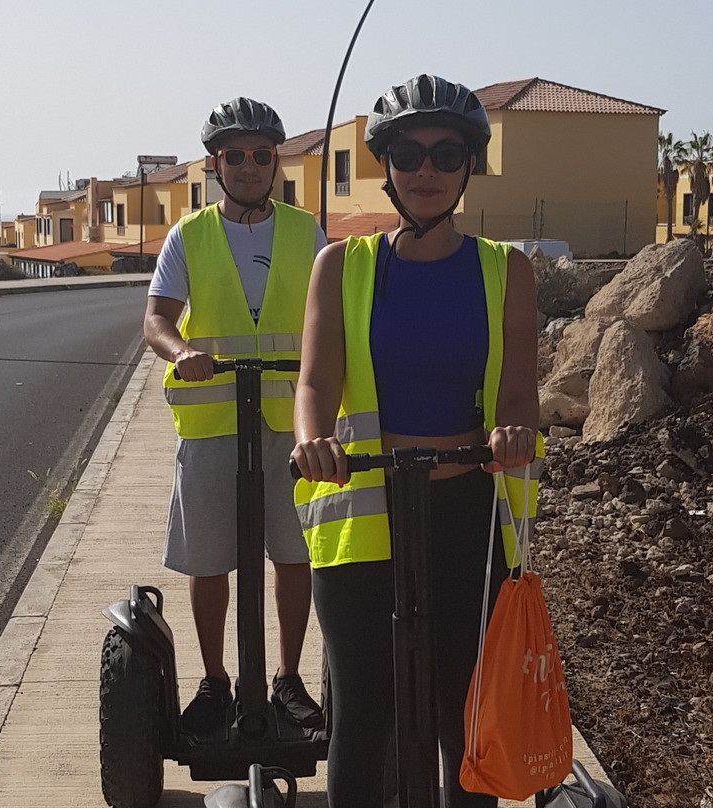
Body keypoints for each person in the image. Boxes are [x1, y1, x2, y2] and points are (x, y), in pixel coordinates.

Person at [290, 75, 543, 807]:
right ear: (387, 166)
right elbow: (313, 384)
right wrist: (311, 441)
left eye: (446, 153)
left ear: (471, 166)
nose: (425, 170)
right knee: (364, 710)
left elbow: (518, 390)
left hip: (468, 513)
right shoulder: (341, 265)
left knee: (464, 710)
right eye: (407, 153)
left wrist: (515, 428)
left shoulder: (507, 271)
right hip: (364, 507)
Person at [144, 96, 327, 734]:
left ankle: (289, 679)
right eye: (236, 155)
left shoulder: (307, 232)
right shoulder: (188, 236)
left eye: (261, 154)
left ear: (275, 161)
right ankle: (216, 682)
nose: (250, 166)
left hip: (289, 425)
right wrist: (182, 351)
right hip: (213, 425)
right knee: (209, 560)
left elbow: (327, 317)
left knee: (294, 554)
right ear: (215, 164)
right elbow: (157, 319)